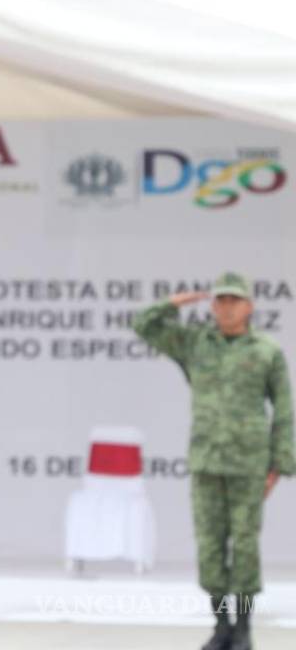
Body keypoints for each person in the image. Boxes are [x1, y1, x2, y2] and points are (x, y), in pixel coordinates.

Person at [132, 272, 294, 650]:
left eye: (234, 300)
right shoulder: (195, 344)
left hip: (249, 464)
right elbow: (143, 324)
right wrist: (176, 302)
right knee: (209, 548)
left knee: (245, 545)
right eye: (220, 300)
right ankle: (221, 624)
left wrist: (280, 465)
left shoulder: (266, 351)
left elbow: (285, 410)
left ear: (249, 306)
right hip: (207, 462)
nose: (226, 307)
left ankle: (244, 627)